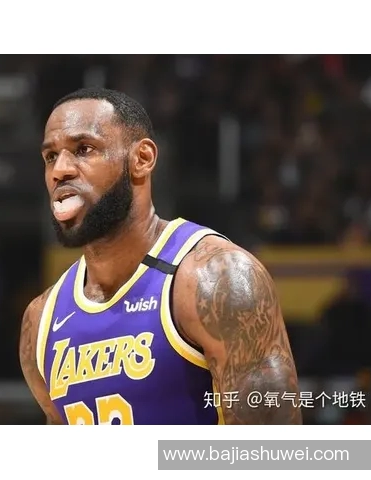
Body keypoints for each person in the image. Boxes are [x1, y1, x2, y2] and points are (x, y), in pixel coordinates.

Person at [19, 87, 301, 425]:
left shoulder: (216, 279)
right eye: (51, 156)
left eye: (84, 149)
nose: (60, 170)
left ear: (142, 159)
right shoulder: (41, 320)